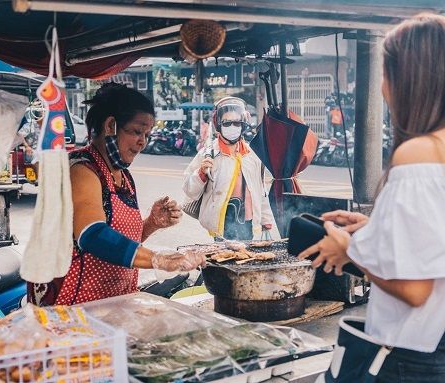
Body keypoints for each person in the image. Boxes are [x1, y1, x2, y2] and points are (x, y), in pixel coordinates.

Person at [298, 14, 445, 382]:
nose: (381, 88)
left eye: (385, 73)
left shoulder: (420, 154)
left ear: (410, 79)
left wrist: (353, 252)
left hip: (409, 356)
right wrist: (377, 228)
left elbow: (414, 289)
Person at [27, 83, 206, 306]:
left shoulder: (122, 176)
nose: (143, 142)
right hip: (73, 304)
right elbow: (92, 235)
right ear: (111, 125)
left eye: (147, 134)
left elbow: (119, 243)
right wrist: (157, 260)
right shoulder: (81, 170)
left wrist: (151, 224)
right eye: (136, 132)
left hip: (112, 302)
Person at [183, 97, 278, 241]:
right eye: (227, 123)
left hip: (249, 222)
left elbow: (260, 189)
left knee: (246, 259)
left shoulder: (252, 155)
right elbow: (189, 190)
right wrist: (201, 173)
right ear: (218, 124)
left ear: (243, 124)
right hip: (222, 224)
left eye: (236, 122)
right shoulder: (208, 154)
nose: (232, 127)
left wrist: (266, 220)